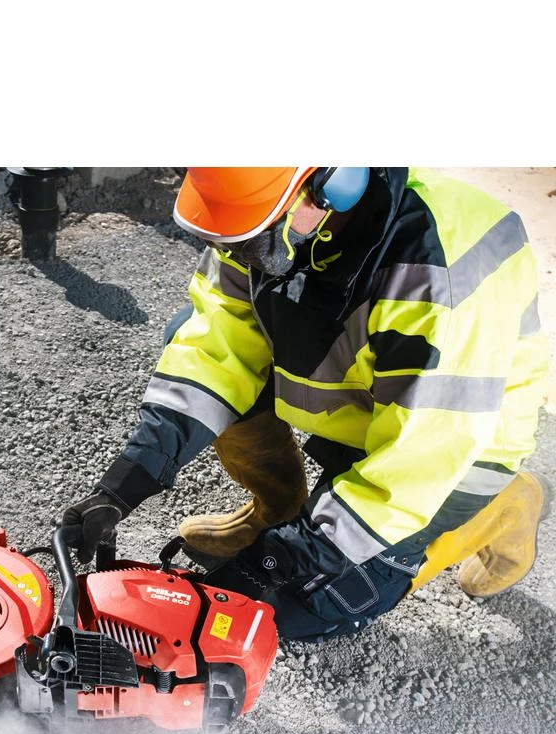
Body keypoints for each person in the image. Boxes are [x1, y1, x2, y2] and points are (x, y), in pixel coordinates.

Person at [62, 167, 550, 642]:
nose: (244, 252)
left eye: (259, 233)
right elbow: (214, 350)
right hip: (374, 405)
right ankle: (282, 509)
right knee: (184, 331)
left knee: (304, 605)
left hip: (453, 449)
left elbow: (419, 461)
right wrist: (125, 484)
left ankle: (499, 506)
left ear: (333, 183)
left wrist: (279, 560)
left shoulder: (434, 269)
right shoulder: (267, 218)